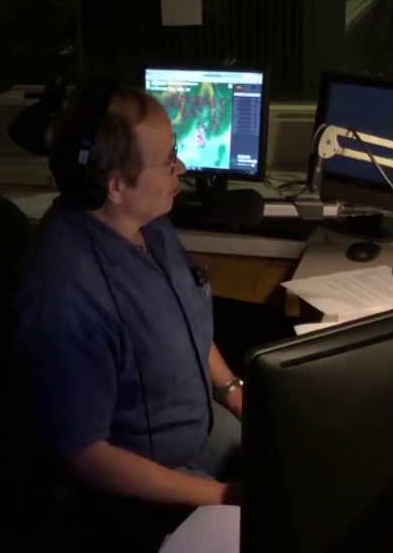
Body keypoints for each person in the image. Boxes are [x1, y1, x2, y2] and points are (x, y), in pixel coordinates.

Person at [14, 85, 244, 549]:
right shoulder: (65, 293)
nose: (181, 168)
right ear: (115, 184)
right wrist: (225, 496)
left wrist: (236, 395)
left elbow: (188, 319)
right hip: (142, 488)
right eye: (169, 159)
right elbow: (83, 456)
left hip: (205, 430)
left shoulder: (150, 224)